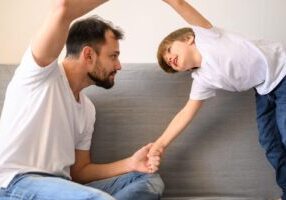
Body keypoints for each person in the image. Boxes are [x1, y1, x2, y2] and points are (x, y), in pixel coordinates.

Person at [0, 0, 164, 199]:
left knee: (149, 181)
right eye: (113, 56)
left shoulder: (88, 110)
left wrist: (130, 163)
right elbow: (62, 8)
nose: (119, 65)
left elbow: (80, 172)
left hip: (63, 186)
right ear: (88, 55)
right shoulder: (40, 74)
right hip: (15, 183)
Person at [147, 0, 286, 199]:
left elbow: (179, 4)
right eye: (170, 65)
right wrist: (160, 144)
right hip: (264, 89)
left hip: (282, 72)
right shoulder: (202, 79)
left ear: (188, 38)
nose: (169, 59)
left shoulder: (207, 36)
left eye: (169, 51)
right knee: (269, 142)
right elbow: (186, 113)